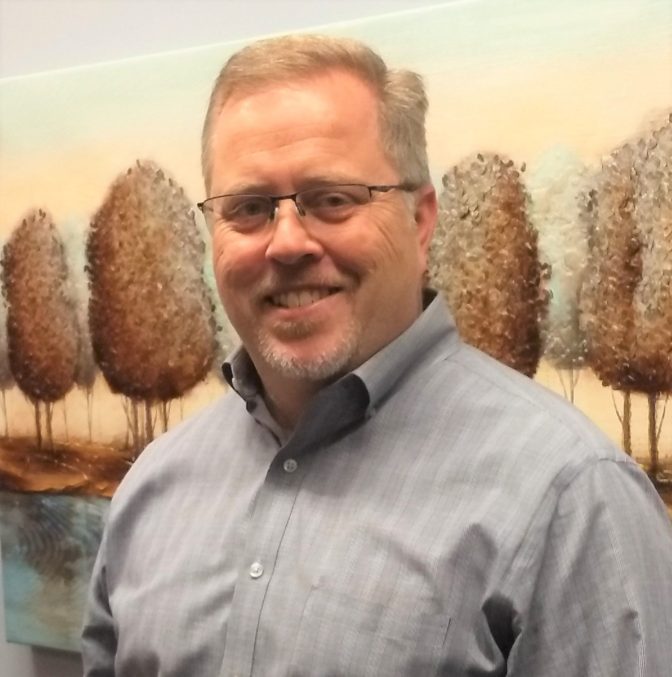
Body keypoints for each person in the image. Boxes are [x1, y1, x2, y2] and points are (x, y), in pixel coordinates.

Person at [81, 34, 672, 676]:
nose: (287, 243)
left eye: (333, 199)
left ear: (420, 222)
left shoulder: (572, 501)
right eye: (248, 208)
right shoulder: (153, 487)